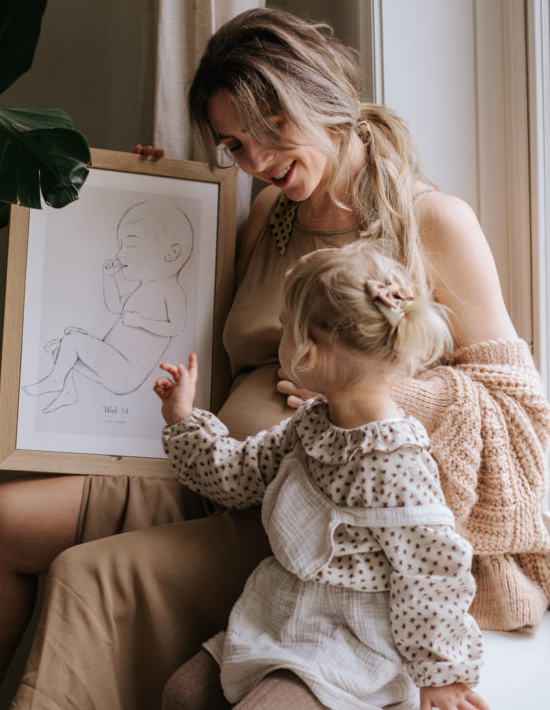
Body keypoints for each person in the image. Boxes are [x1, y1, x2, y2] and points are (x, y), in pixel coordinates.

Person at [0, 7, 550, 710]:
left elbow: (520, 416)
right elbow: (182, 306)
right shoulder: (273, 211)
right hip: (220, 469)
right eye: (234, 145)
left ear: (318, 95)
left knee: (91, 573)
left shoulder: (434, 222)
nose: (257, 161)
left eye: (268, 134)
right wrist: (150, 189)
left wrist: (363, 390)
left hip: (300, 513)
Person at [155, 241, 489, 710]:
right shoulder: (310, 423)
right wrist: (185, 419)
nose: (278, 342)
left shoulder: (398, 461)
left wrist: (441, 675)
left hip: (354, 643)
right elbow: (239, 476)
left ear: (308, 351)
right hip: (284, 615)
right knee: (182, 694)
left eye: (283, 331)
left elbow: (431, 573)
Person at [22, 200, 194, 412]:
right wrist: (108, 277)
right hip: (116, 366)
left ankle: (55, 381)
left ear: (171, 254)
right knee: (62, 348)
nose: (121, 254)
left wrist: (140, 321)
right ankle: (68, 392)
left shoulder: (172, 291)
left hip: (126, 371)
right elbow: (115, 307)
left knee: (73, 343)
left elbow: (176, 328)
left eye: (130, 245)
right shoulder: (144, 289)